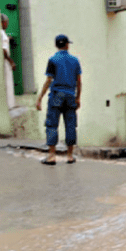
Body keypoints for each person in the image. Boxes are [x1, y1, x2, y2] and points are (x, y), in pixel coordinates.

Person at [36, 34, 81, 165]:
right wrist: (78, 97)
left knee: (51, 125)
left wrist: (40, 98)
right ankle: (70, 155)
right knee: (71, 125)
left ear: (56, 45)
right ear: (67, 45)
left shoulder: (52, 60)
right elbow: (79, 82)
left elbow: (48, 80)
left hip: (56, 95)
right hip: (70, 95)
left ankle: (51, 156)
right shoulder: (75, 60)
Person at [1, 14, 17, 109]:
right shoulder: (0, 33)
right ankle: (9, 105)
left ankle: (10, 105)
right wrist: (11, 61)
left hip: (5, 62)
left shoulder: (2, 33)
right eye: (6, 22)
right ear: (3, 22)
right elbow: (3, 50)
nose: (7, 24)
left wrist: (8, 39)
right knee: (7, 83)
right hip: (5, 62)